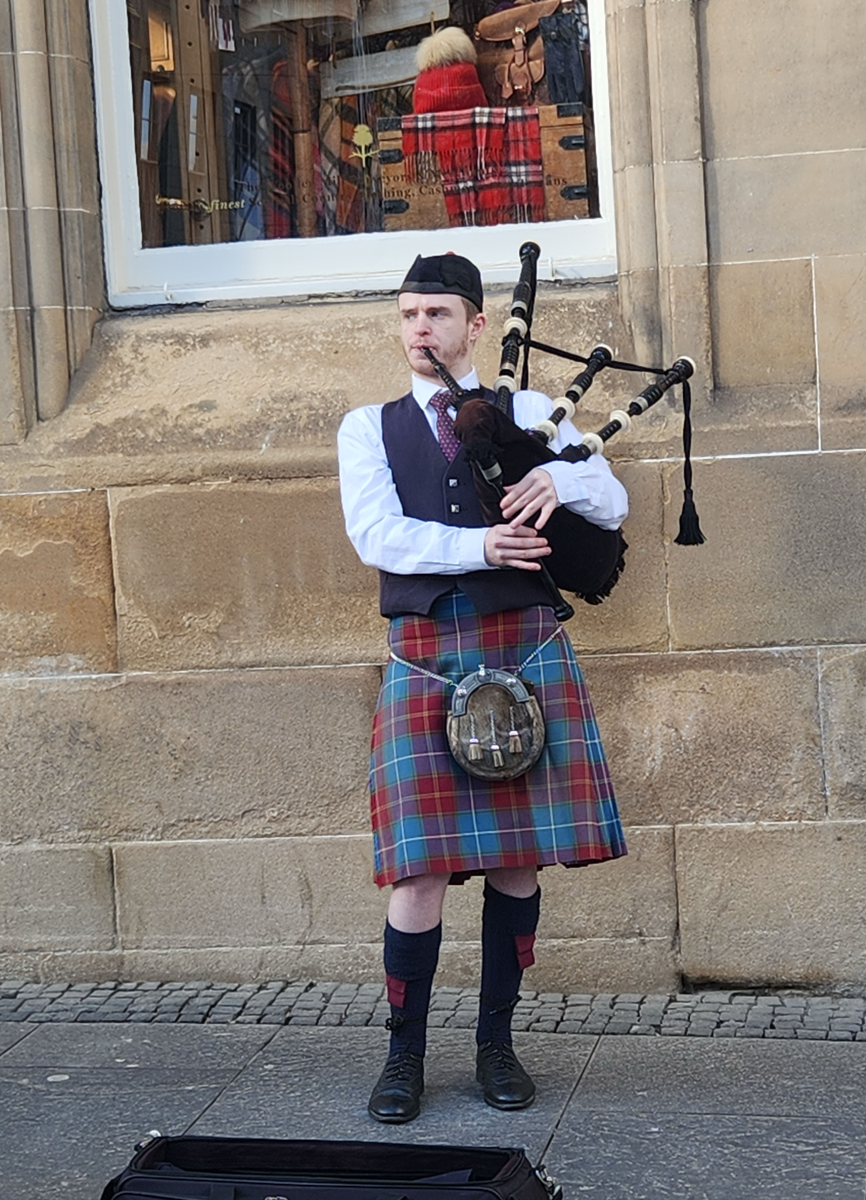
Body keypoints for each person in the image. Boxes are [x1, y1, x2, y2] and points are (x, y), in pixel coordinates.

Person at [337, 251, 628, 1124]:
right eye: (406, 315)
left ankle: (497, 1045)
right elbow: (376, 537)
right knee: (417, 873)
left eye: (434, 313)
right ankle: (404, 1058)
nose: (418, 329)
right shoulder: (369, 427)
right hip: (427, 648)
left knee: (512, 860)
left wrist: (560, 476)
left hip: (524, 644)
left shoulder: (531, 410)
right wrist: (481, 548)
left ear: (474, 322)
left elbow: (608, 502)